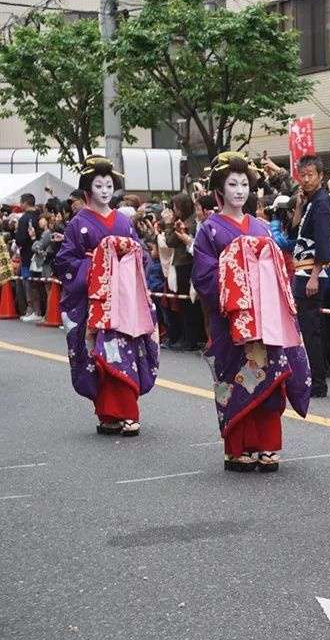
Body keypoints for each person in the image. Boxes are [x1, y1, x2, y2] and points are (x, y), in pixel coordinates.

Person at [192, 152, 310, 472]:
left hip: (266, 317)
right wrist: (238, 275)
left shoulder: (260, 227)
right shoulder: (209, 230)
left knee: (269, 375)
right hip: (232, 317)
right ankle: (239, 445)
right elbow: (203, 277)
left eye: (244, 183)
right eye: (232, 184)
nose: (240, 190)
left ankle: (268, 444)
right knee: (235, 375)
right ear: (219, 189)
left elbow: (278, 270)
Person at [53, 156, 159, 437]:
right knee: (99, 353)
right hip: (95, 301)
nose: (104, 190)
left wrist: (130, 257)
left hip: (124, 300)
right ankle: (108, 414)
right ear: (87, 190)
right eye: (98, 185)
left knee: (125, 350)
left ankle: (128, 412)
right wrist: (99, 262)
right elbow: (64, 263)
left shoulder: (124, 222)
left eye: (109, 185)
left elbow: (141, 255)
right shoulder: (78, 224)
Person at [291, 154, 330, 398]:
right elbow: (293, 229)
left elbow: (324, 242)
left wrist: (314, 276)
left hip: (311, 271)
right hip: (302, 269)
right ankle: (313, 378)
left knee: (311, 329)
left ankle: (318, 382)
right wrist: (298, 204)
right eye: (303, 175)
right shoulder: (310, 201)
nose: (306, 179)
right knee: (308, 327)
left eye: (311, 175)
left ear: (320, 176)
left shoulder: (322, 202)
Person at [164, 192, 202, 350]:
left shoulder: (191, 222)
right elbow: (171, 242)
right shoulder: (183, 221)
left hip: (188, 264)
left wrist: (168, 225)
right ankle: (187, 337)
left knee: (189, 304)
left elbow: (170, 241)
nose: (174, 210)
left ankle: (191, 340)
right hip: (181, 265)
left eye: (176, 207)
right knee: (183, 304)